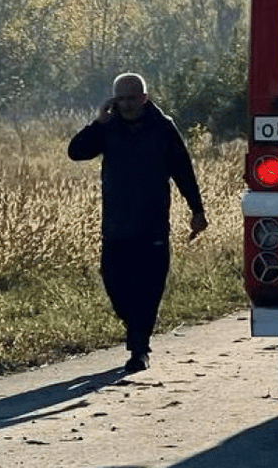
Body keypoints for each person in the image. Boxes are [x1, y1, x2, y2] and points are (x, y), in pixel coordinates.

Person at [67, 73, 209, 373]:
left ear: (145, 98)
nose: (127, 105)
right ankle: (134, 326)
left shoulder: (163, 128)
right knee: (115, 284)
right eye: (121, 99)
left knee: (149, 289)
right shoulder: (109, 128)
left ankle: (139, 348)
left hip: (153, 226)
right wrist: (98, 122)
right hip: (116, 227)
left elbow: (183, 170)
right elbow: (76, 152)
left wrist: (197, 211)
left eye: (132, 98)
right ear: (113, 100)